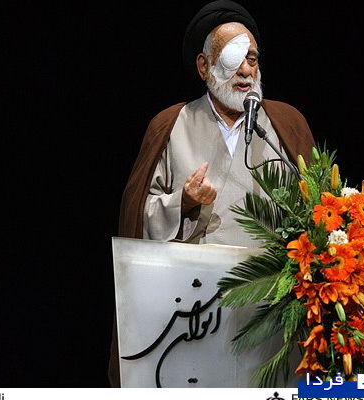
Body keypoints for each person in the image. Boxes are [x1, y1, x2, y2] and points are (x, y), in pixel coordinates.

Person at [109, 0, 316, 387]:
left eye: (252, 59)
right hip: (195, 313)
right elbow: (139, 218)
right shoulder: (172, 125)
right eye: (233, 59)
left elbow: (321, 213)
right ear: (204, 66)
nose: (246, 70)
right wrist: (183, 201)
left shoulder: (286, 123)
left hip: (272, 314)